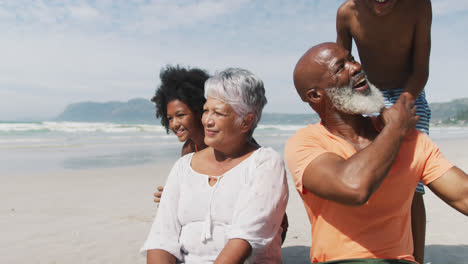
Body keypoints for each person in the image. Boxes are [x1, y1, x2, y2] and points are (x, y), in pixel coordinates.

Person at [285, 42, 468, 263]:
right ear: (315, 96)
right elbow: (354, 187)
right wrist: (395, 129)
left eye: (351, 58)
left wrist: (395, 130)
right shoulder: (306, 143)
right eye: (340, 67)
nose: (356, 66)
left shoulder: (410, 140)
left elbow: (463, 195)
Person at [142, 68, 289, 263]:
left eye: (218, 113)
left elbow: (247, 236)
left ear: (246, 122)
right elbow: (161, 238)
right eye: (205, 110)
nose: (207, 120)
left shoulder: (263, 162)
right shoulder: (184, 165)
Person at [336, 1, 432, 261]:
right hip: (366, 96)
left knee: (413, 186)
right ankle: (372, 252)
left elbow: (421, 69)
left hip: (409, 93)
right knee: (370, 179)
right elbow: (341, 68)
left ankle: (416, 258)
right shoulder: (347, 14)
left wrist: (401, 108)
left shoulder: (419, 6)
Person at [151, 65, 210, 203]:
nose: (174, 124)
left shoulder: (223, 144)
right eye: (170, 118)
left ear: (199, 110)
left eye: (180, 115)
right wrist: (171, 195)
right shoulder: (188, 150)